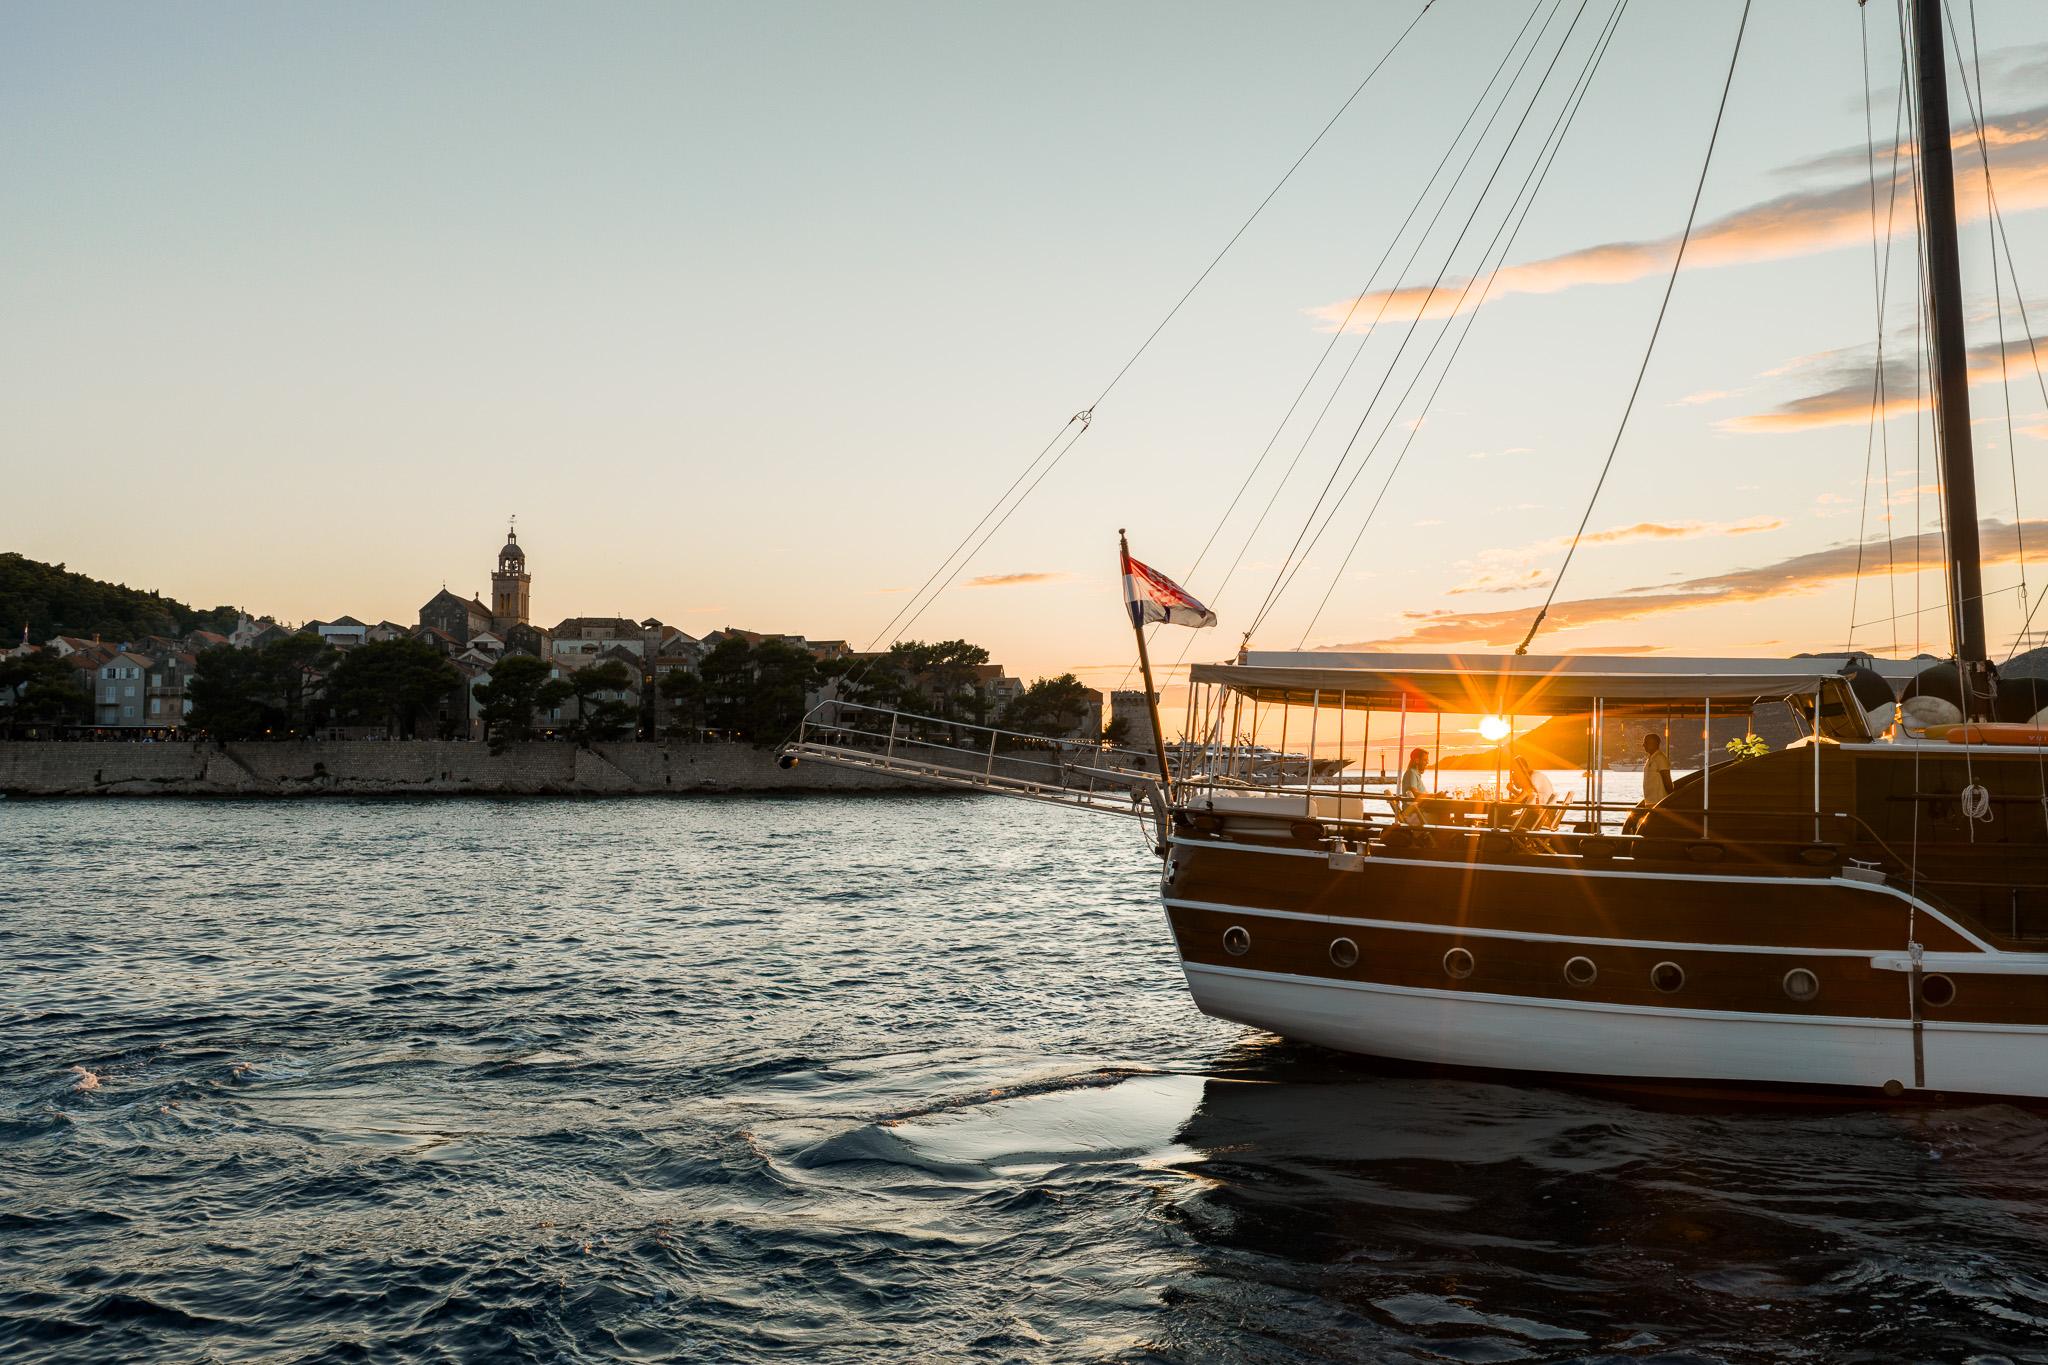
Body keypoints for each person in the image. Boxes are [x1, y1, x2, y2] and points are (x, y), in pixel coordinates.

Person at [1625, 731, 1673, 834]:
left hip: (1658, 802)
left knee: (1654, 830)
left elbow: (1667, 780)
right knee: (1649, 829)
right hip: (1650, 802)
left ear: (1654, 744)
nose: (1643, 745)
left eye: (1646, 742)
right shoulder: (1650, 759)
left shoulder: (1660, 758)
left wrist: (1670, 799)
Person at [1505, 753, 1554, 836]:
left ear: (1523, 768)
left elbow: (1527, 792)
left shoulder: (1535, 776)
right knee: (1503, 814)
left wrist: (1510, 803)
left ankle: (1498, 840)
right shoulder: (1531, 777)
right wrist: (1513, 790)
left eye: (1515, 770)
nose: (1515, 772)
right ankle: (1512, 842)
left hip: (1537, 817)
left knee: (1501, 817)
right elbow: (1526, 797)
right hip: (1539, 814)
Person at [1394, 746, 1431, 827]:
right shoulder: (1411, 773)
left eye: (1427, 760)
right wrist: (1433, 796)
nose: (1427, 763)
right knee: (1444, 813)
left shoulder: (1415, 774)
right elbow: (1414, 793)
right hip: (1415, 813)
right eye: (1425, 760)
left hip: (1419, 811)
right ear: (1417, 760)